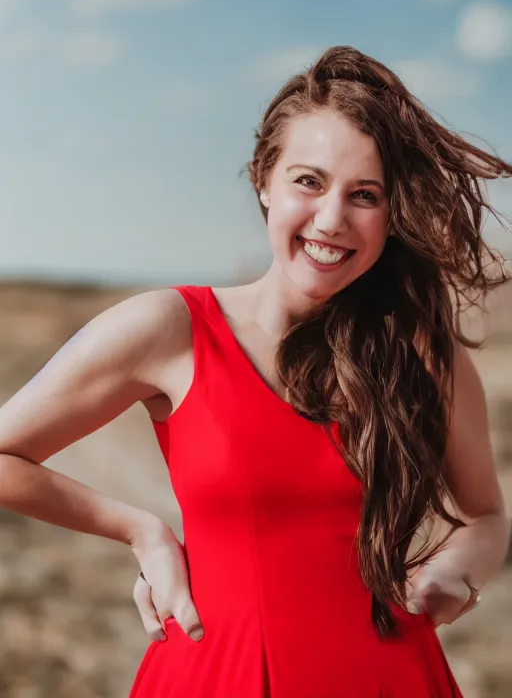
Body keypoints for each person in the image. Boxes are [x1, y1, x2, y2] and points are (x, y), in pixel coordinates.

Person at [0, 46, 510, 697]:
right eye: (308, 181)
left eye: (365, 195)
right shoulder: (170, 328)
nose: (332, 219)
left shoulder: (423, 353)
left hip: (392, 677)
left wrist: (455, 576)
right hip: (219, 677)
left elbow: (486, 517)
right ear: (263, 179)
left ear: (391, 215)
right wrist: (141, 531)